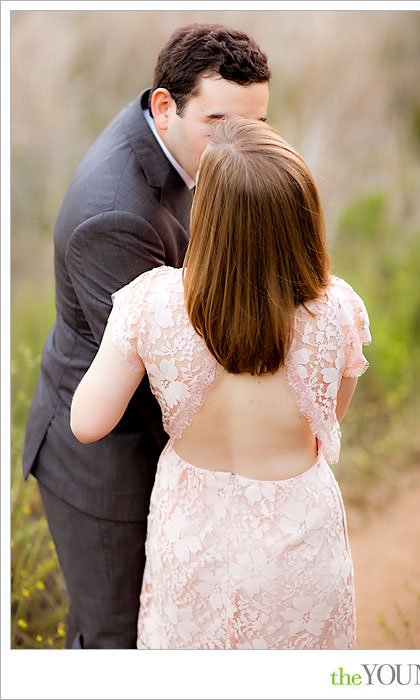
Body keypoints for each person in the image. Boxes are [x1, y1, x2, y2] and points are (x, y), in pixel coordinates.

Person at [70, 117, 369, 649]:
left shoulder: (150, 302)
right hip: (295, 537)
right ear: (300, 217)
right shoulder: (338, 310)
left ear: (205, 209)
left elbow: (88, 422)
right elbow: (327, 422)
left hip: (190, 533)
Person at [22, 24, 271, 648]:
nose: (238, 142)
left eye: (255, 123)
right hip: (109, 457)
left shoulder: (186, 142)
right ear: (165, 105)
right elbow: (162, 374)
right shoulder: (116, 215)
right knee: (116, 640)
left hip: (158, 431)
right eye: (218, 121)